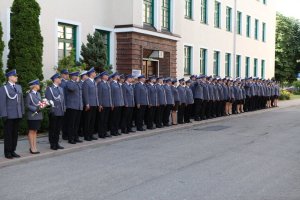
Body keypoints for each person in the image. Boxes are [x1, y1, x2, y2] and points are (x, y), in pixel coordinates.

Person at [0, 69, 25, 159]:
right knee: (8, 135)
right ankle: (7, 152)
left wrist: (22, 112)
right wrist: (4, 115)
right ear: (10, 77)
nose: (16, 77)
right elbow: (2, 102)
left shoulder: (18, 87)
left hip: (17, 114)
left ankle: (13, 150)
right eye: (15, 76)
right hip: (9, 115)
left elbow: (21, 101)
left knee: (15, 134)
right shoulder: (4, 88)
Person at [45, 73, 65, 150]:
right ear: (55, 79)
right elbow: (49, 100)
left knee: (58, 129)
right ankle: (52, 144)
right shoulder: (49, 89)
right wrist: (52, 111)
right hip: (54, 111)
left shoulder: (60, 88)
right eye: (59, 78)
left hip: (60, 111)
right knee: (52, 128)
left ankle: (57, 143)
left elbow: (63, 100)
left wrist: (63, 109)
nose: (60, 80)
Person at [65, 71, 83, 144]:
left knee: (76, 124)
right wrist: (76, 82)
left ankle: (76, 137)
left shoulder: (78, 83)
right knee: (71, 124)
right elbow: (71, 89)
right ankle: (71, 138)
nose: (76, 77)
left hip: (78, 106)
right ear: (72, 76)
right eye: (75, 76)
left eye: (77, 76)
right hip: (72, 106)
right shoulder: (69, 83)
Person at [26, 79, 42, 154]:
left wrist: (43, 105)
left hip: (38, 115)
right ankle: (32, 148)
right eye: (38, 84)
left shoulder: (38, 94)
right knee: (31, 131)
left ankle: (35, 146)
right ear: (34, 86)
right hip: (32, 115)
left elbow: (40, 103)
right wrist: (35, 109)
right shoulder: (29, 94)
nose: (39, 85)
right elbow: (27, 105)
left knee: (35, 131)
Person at [82, 67, 98, 141]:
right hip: (89, 104)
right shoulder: (86, 82)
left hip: (94, 104)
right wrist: (87, 103)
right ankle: (86, 135)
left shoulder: (94, 82)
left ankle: (91, 134)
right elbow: (85, 94)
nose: (95, 74)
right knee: (87, 120)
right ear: (91, 74)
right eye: (94, 72)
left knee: (92, 120)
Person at [97, 71, 113, 138]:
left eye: (107, 75)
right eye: (106, 75)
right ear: (103, 76)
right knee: (101, 120)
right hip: (103, 105)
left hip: (108, 104)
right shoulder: (100, 84)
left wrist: (111, 103)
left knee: (106, 120)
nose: (107, 76)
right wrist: (100, 104)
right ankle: (101, 133)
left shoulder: (107, 84)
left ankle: (105, 132)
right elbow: (99, 95)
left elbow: (109, 95)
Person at [60, 69, 69, 140]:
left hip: (69, 104)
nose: (67, 75)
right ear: (62, 75)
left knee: (68, 120)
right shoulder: (61, 83)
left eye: (67, 74)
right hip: (64, 103)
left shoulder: (68, 82)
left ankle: (67, 133)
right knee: (64, 120)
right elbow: (62, 95)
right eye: (65, 74)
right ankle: (64, 134)